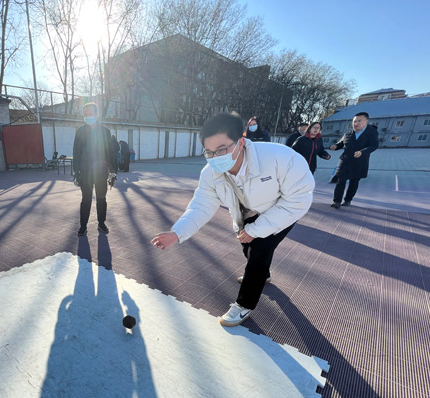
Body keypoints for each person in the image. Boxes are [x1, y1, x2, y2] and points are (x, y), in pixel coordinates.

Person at [150, 112, 314, 327]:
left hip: (281, 211)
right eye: (209, 152)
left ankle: (244, 305)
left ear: (241, 141)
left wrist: (257, 230)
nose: (216, 156)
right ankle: (262, 272)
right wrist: (177, 233)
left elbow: (299, 199)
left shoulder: (281, 158)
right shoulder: (211, 173)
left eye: (222, 149)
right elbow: (201, 205)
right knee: (248, 249)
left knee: (258, 252)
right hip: (246, 213)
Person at [73, 102, 116, 236]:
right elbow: (76, 153)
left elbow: (110, 153)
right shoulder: (80, 131)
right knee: (85, 200)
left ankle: (101, 224)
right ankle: (83, 226)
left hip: (101, 172)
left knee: (101, 199)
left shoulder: (105, 132)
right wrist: (76, 173)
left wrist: (113, 171)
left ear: (97, 115)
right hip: (85, 173)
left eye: (90, 113)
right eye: (85, 114)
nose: (88, 116)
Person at [329, 112, 379, 208]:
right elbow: (341, 143)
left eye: (359, 121)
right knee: (340, 181)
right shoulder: (348, 133)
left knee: (354, 182)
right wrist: (335, 146)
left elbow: (374, 145)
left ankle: (348, 200)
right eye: (354, 121)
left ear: (366, 121)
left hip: (359, 162)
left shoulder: (371, 132)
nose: (356, 123)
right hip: (345, 161)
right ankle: (337, 201)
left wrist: (362, 152)